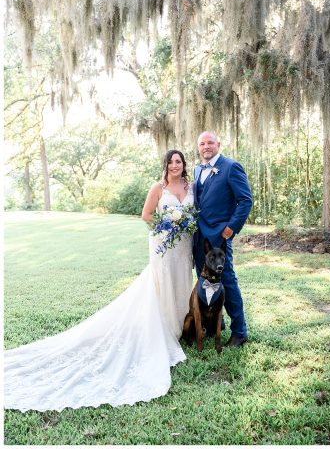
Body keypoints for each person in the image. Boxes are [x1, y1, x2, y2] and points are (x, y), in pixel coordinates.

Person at [4, 150, 196, 411]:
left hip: (184, 246)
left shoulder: (190, 185)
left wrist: (185, 223)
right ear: (165, 165)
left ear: (184, 165)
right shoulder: (158, 187)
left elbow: (195, 213)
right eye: (171, 161)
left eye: (179, 161)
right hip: (163, 244)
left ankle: (181, 327)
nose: (175, 165)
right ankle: (164, 330)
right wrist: (169, 223)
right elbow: (146, 216)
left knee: (182, 279)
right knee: (163, 283)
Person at [193, 131, 253, 348]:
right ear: (198, 147)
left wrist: (231, 229)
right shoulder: (197, 169)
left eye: (210, 142)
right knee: (205, 282)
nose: (206, 146)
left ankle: (239, 332)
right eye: (202, 143)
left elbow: (245, 200)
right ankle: (216, 325)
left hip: (219, 239)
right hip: (199, 239)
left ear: (218, 144)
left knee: (227, 281)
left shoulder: (231, 167)